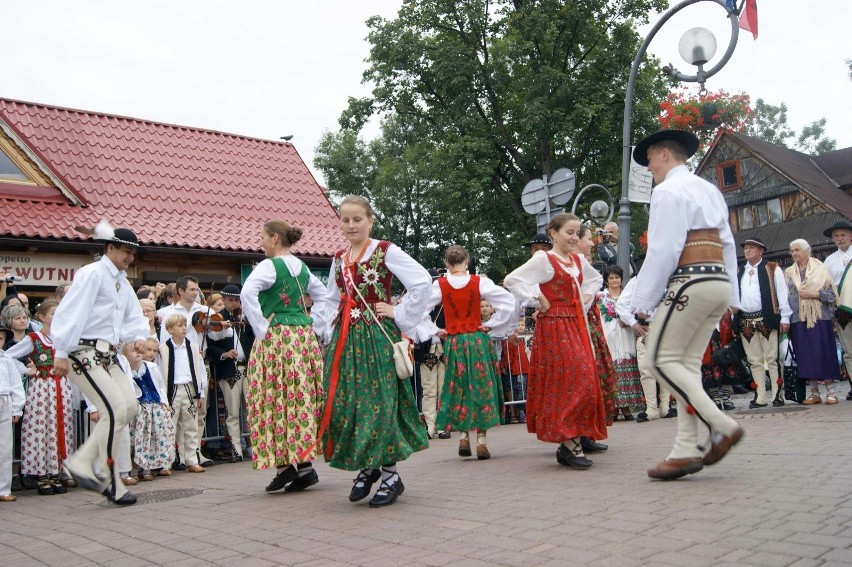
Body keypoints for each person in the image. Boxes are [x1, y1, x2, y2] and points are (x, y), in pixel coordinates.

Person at [629, 129, 744, 481]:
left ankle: (721, 425)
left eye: (649, 160)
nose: (648, 168)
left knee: (659, 361)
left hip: (690, 281)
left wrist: (642, 301)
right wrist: (733, 295)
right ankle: (684, 449)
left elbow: (664, 249)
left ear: (664, 154)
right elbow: (728, 243)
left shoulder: (667, 191)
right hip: (717, 282)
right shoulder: (709, 189)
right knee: (686, 367)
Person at [312, 195, 431, 508]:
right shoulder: (339, 257)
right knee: (347, 402)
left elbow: (421, 281)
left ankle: (390, 475)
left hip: (376, 336)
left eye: (357, 219)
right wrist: (319, 330)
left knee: (379, 403)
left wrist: (398, 312)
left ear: (370, 221)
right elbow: (329, 297)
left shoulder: (385, 251)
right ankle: (369, 464)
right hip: (346, 340)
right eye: (345, 219)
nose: (350, 225)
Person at [50, 223, 150, 505]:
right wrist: (60, 349)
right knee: (114, 409)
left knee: (129, 407)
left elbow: (133, 316)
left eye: (133, 253)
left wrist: (140, 336)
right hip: (82, 350)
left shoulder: (121, 281)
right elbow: (73, 311)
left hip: (109, 354)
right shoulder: (92, 274)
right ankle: (105, 474)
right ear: (110, 248)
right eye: (126, 251)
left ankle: (84, 461)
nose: (130, 257)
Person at [504, 213, 607, 469]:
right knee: (573, 378)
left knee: (585, 377)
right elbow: (512, 280)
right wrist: (537, 297)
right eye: (569, 232)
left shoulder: (578, 260)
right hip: (554, 326)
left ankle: (572, 441)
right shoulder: (544, 259)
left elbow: (595, 280)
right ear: (553, 233)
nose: (574, 237)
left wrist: (586, 295)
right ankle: (569, 443)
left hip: (575, 323)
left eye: (576, 232)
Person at [240, 220, 326, 492]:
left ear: (275, 238)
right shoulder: (301, 266)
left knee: (272, 395)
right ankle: (304, 464)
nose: (261, 242)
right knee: (299, 396)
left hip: (278, 338)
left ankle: (286, 466)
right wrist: (316, 323)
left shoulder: (269, 265)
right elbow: (324, 295)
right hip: (303, 337)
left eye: (263, 237)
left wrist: (261, 327)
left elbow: (246, 292)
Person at [425, 245, 514, 460]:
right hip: (477, 338)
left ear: (446, 263)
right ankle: (481, 442)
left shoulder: (440, 284)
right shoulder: (479, 282)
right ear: (467, 261)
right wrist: (493, 324)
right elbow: (509, 303)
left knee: (459, 386)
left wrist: (435, 331)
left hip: (455, 341)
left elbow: (419, 310)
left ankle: (463, 437)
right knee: (481, 386)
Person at [3, 299, 74, 496]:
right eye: (53, 313)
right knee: (42, 429)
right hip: (42, 389)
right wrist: (26, 370)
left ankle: (56, 473)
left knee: (59, 428)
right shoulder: (34, 338)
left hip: (61, 387)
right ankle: (42, 476)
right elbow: (7, 356)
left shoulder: (64, 339)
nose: (57, 317)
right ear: (41, 317)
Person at [735, 237, 792, 408]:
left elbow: (782, 294)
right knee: (754, 360)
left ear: (761, 251)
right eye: (746, 248)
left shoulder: (773, 268)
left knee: (772, 359)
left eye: (751, 248)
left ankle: (777, 394)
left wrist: (785, 317)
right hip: (745, 320)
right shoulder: (740, 271)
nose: (747, 251)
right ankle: (760, 395)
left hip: (767, 319)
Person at [785, 239, 842, 404]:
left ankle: (831, 392)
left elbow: (831, 295)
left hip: (819, 317)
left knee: (823, 352)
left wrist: (815, 294)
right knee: (805, 356)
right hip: (798, 319)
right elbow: (786, 297)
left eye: (798, 250)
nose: (795, 253)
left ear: (807, 251)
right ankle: (814, 393)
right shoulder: (789, 273)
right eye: (792, 250)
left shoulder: (820, 269)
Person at [207, 283, 254, 463]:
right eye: (231, 300)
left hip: (247, 368)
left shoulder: (244, 318)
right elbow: (210, 346)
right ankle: (236, 450)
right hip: (230, 370)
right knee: (233, 412)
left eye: (237, 300)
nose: (234, 304)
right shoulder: (218, 319)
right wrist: (224, 354)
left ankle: (256, 447)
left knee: (252, 410)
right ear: (224, 300)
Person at [616, 278, 673, 423]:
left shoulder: (669, 276)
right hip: (647, 328)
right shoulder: (637, 280)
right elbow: (621, 305)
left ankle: (665, 407)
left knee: (664, 367)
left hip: (665, 326)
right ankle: (652, 408)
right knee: (646, 368)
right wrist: (633, 323)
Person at [158, 314, 208, 473]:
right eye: (180, 326)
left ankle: (191, 460)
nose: (184, 328)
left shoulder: (193, 347)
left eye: (185, 325)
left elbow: (199, 370)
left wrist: (200, 393)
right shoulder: (163, 349)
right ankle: (166, 463)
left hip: (189, 390)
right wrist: (162, 396)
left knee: (191, 426)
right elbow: (159, 372)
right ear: (170, 329)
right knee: (169, 427)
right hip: (171, 391)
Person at [121, 342, 174, 482]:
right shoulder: (124, 371)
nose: (138, 353)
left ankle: (147, 469)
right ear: (125, 356)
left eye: (139, 350)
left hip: (153, 408)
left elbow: (161, 386)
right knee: (135, 440)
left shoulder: (152, 367)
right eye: (133, 351)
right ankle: (131, 469)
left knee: (150, 439)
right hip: (138, 410)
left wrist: (164, 403)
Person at [598, 265, 643, 421]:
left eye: (617, 277)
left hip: (626, 336)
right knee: (613, 371)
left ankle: (627, 406)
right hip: (611, 337)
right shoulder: (602, 297)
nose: (615, 280)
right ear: (606, 280)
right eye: (611, 277)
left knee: (628, 369)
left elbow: (636, 311)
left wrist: (629, 321)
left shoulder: (628, 295)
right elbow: (601, 317)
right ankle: (614, 408)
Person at [822, 220, 852, 400]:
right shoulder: (829, 261)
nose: (840, 239)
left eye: (843, 235)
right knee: (849, 351)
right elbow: (827, 288)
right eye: (836, 236)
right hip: (842, 311)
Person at [0, 349, 25, 502]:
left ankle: (3, 488)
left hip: (4, 400)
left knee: (4, 447)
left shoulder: (6, 359)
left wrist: (17, 407)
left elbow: (16, 384)